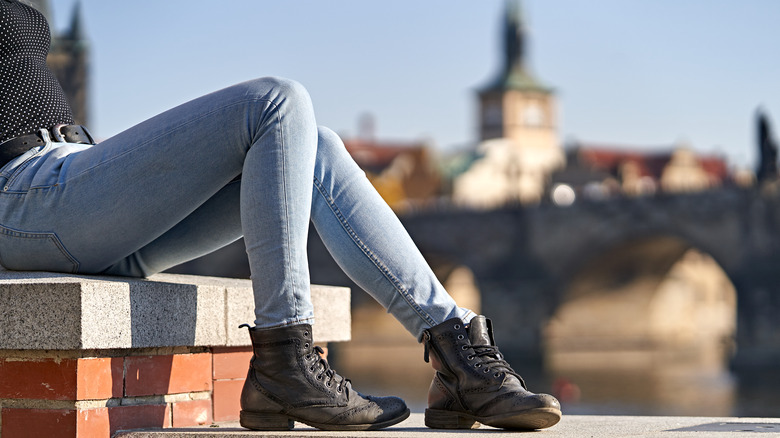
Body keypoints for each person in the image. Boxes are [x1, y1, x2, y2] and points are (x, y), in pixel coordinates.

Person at [0, 0, 561, 431]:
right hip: (25, 194)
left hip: (77, 194)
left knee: (313, 145)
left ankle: (456, 352)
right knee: (275, 100)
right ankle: (282, 354)